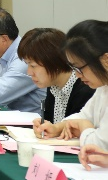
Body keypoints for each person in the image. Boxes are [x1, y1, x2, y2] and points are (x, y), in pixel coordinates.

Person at [34, 20, 108, 149]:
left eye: (79, 68)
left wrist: (84, 127)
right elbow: (84, 115)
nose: (77, 75)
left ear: (105, 60)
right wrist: (57, 128)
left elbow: (101, 144)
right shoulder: (103, 86)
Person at [18, 28, 93, 123]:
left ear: (54, 62)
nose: (29, 72)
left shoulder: (85, 91)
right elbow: (51, 124)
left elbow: (75, 130)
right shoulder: (53, 85)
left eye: (33, 66)